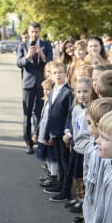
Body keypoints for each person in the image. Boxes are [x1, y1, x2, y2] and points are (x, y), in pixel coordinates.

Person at [17, 22, 53, 154]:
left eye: (36, 32)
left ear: (39, 32)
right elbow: (19, 63)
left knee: (40, 113)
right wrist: (27, 57)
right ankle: (28, 142)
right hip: (27, 85)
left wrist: (41, 54)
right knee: (27, 115)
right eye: (32, 32)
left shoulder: (46, 44)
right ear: (29, 32)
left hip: (42, 84)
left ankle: (37, 136)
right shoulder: (22, 45)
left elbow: (50, 63)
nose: (34, 34)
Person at [42, 62, 73, 202]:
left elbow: (70, 114)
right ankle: (60, 185)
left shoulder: (68, 92)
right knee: (59, 161)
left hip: (63, 133)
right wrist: (46, 134)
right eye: (55, 73)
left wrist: (68, 133)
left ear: (66, 74)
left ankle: (66, 190)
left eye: (61, 72)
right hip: (54, 132)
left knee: (65, 162)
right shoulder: (53, 90)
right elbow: (49, 114)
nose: (58, 75)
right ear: (51, 75)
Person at [61, 76, 92, 213]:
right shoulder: (76, 108)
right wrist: (70, 137)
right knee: (77, 174)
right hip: (77, 147)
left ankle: (85, 203)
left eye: (85, 91)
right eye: (79, 92)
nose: (82, 95)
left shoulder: (92, 109)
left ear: (92, 91)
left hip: (87, 149)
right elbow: (74, 126)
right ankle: (80, 198)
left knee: (86, 176)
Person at [36, 79, 58, 188]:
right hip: (43, 133)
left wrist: (50, 135)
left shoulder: (53, 103)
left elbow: (52, 120)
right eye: (44, 89)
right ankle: (50, 174)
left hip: (49, 134)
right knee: (47, 157)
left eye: (48, 90)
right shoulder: (46, 101)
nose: (45, 92)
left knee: (52, 156)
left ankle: (54, 177)